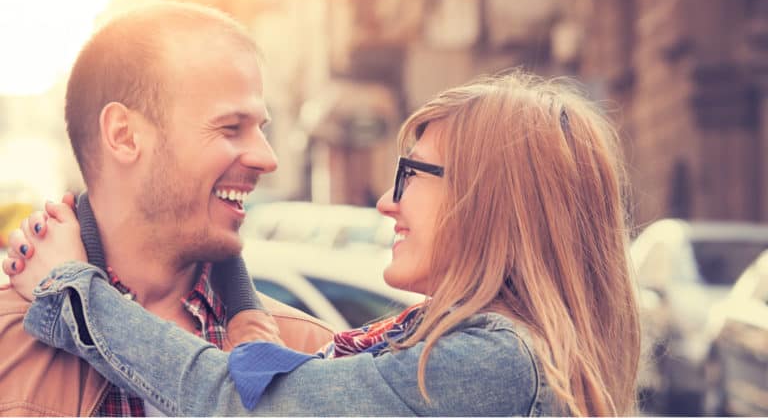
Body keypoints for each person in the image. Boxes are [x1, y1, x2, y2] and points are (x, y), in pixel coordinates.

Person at [6, 71, 641, 416]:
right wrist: (225, 259)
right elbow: (274, 382)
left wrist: (71, 287)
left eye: (411, 174)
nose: (387, 201)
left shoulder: (491, 364)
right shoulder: (459, 343)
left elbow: (238, 402)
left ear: (490, 198)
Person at [0, 2, 333, 417]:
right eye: (231, 127)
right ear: (124, 135)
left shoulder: (312, 353)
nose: (268, 159)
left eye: (260, 129)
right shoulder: (7, 344)